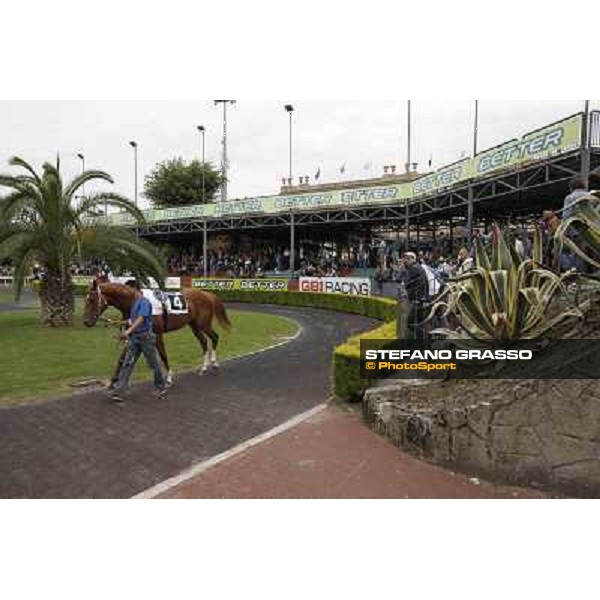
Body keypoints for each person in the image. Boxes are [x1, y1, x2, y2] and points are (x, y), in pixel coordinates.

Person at [110, 280, 167, 403]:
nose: (125, 292)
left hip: (146, 338)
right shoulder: (135, 303)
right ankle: (119, 391)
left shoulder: (144, 302)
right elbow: (134, 319)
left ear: (135, 289)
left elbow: (141, 319)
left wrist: (128, 331)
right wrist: (121, 323)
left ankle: (161, 387)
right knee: (127, 363)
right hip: (135, 338)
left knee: (153, 364)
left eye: (128, 289)